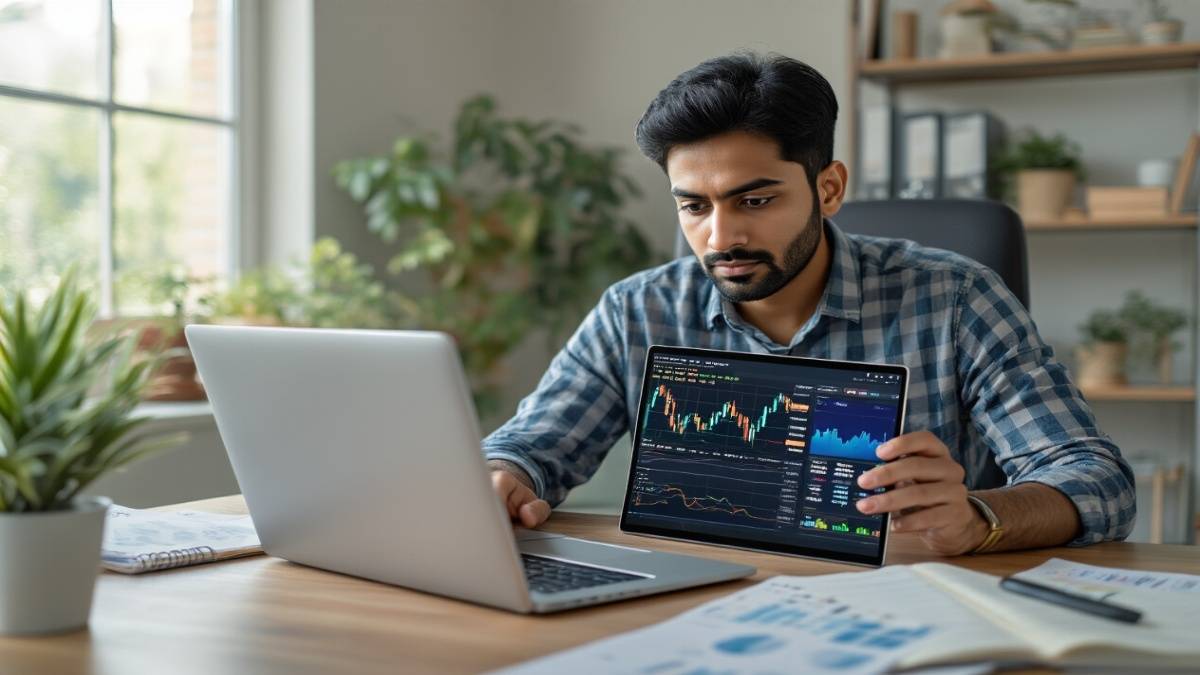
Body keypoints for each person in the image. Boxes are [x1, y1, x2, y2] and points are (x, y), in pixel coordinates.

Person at [484, 52, 1135, 555]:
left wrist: (979, 518)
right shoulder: (636, 311)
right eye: (694, 205)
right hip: (698, 603)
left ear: (828, 188)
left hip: (901, 608)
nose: (721, 236)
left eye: (755, 200)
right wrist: (503, 475)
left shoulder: (956, 298)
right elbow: (529, 448)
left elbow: (1095, 479)